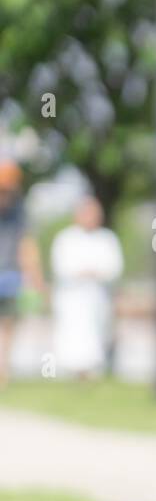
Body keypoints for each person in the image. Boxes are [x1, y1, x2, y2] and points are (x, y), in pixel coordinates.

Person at [50, 195, 122, 379]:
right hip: (72, 298)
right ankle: (70, 371)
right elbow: (61, 267)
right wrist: (81, 273)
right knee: (72, 336)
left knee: (96, 337)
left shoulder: (107, 238)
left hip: (97, 297)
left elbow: (114, 268)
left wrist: (96, 273)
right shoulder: (66, 238)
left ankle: (92, 372)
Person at [0, 160, 48, 389]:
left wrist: (37, 280)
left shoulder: (19, 210)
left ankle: (3, 371)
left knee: (8, 325)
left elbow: (26, 245)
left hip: (9, 275)